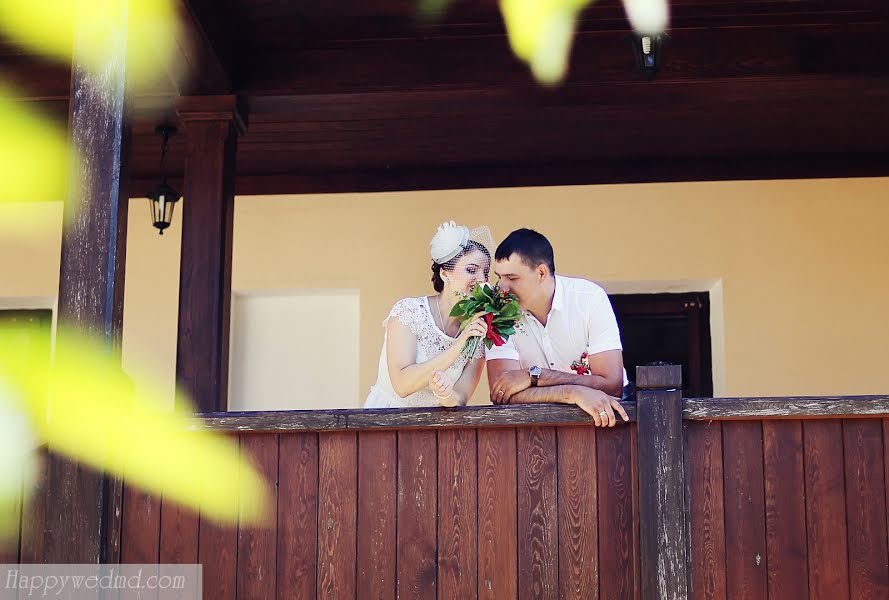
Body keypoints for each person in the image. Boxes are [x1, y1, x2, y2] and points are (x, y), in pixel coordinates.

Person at [486, 228, 630, 427]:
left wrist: (534, 377)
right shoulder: (497, 313)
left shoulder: (589, 299)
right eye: (499, 277)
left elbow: (611, 385)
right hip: (538, 431)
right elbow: (502, 393)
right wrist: (572, 392)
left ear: (541, 273)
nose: (502, 287)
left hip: (609, 423)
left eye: (512, 278)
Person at [364, 221, 495, 408]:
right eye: (471, 270)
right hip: (386, 424)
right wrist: (460, 343)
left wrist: (446, 394)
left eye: (485, 273)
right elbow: (402, 385)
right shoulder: (409, 312)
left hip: (434, 432)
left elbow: (461, 396)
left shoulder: (480, 328)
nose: (481, 279)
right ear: (445, 274)